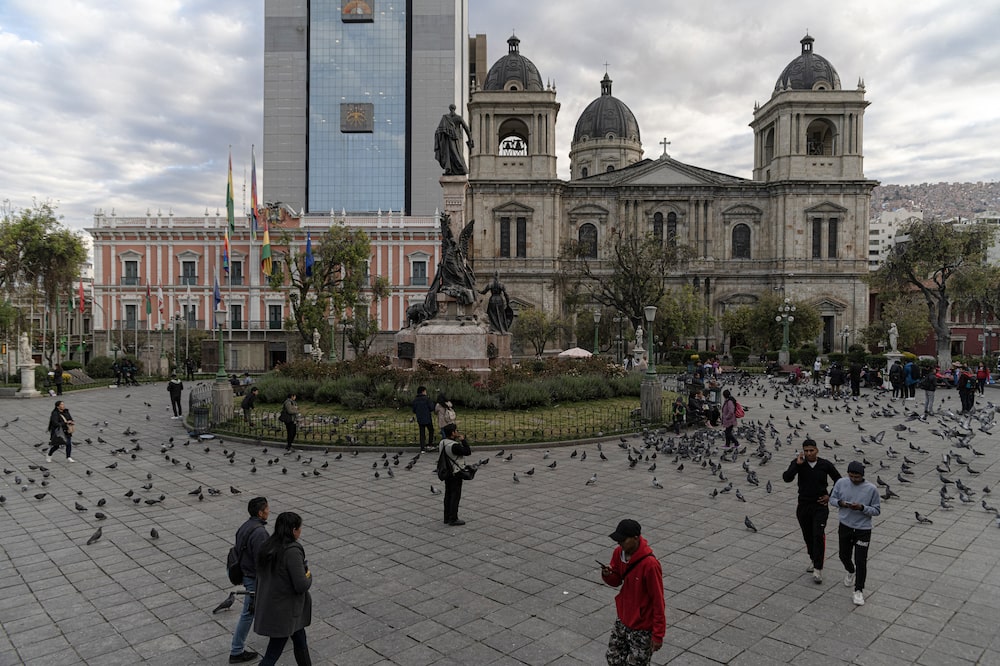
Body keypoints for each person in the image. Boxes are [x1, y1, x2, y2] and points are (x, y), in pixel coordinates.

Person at [600, 519, 666, 665]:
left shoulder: (650, 565)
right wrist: (608, 574)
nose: (620, 543)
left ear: (635, 538)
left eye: (623, 540)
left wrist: (658, 634)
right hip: (623, 619)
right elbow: (616, 580)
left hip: (642, 627)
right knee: (613, 658)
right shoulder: (619, 553)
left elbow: (658, 600)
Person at [254, 511, 312, 666]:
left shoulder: (268, 546)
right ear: (293, 530)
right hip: (284, 613)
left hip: (275, 607)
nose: (300, 531)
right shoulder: (292, 551)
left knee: (300, 641)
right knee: (272, 654)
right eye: (299, 528)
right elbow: (301, 584)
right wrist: (308, 575)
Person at [782, 438, 841, 583]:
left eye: (811, 450)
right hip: (803, 505)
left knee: (818, 535)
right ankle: (813, 558)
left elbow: (839, 480)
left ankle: (818, 569)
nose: (809, 453)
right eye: (806, 451)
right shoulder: (798, 463)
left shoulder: (825, 464)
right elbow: (787, 478)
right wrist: (797, 465)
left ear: (817, 450)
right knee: (808, 536)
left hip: (820, 506)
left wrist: (830, 496)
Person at [828, 461, 881, 606]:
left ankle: (859, 590)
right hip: (845, 526)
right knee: (843, 555)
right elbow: (832, 499)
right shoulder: (841, 483)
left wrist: (862, 508)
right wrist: (841, 503)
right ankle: (851, 570)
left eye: (857, 477)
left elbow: (876, 510)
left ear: (862, 476)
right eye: (851, 476)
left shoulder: (871, 489)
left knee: (861, 560)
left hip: (863, 529)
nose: (853, 479)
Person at [229, 497, 270, 664]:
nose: (269, 511)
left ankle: (283, 630)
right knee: (248, 613)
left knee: (268, 605)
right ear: (260, 513)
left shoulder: (245, 526)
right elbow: (262, 560)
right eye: (267, 509)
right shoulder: (260, 533)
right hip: (253, 577)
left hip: (246, 571)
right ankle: (236, 651)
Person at [439, 423, 471, 526]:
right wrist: (463, 440)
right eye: (456, 430)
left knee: (448, 494)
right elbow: (467, 451)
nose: (457, 432)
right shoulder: (454, 446)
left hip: (446, 471)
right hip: (455, 472)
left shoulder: (442, 442)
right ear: (453, 433)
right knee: (455, 495)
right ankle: (453, 518)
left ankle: (447, 517)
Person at [434, 103, 474, 175]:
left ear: (450, 109)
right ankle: (454, 169)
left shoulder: (446, 117)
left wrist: (470, 139)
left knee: (452, 154)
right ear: (454, 109)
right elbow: (466, 129)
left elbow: (438, 130)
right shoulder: (455, 118)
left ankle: (453, 169)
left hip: (452, 139)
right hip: (453, 139)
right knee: (454, 154)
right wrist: (470, 138)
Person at [412, 386, 434, 452]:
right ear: (423, 391)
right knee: (431, 430)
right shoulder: (427, 399)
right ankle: (430, 444)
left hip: (420, 418)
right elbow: (431, 407)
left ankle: (422, 448)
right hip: (427, 418)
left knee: (422, 433)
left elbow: (414, 410)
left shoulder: (415, 400)